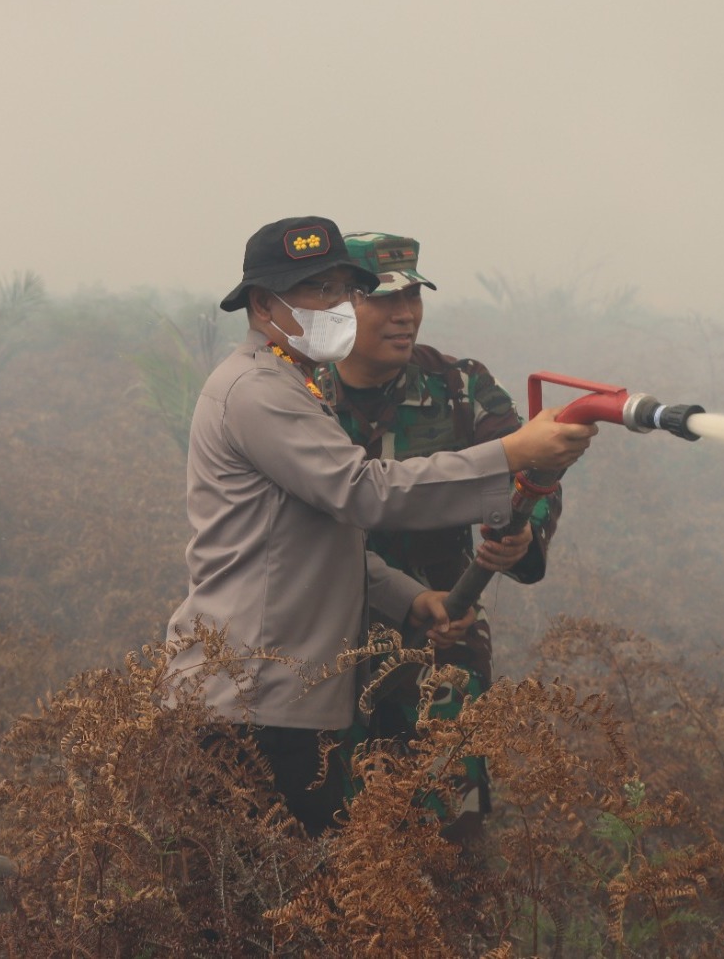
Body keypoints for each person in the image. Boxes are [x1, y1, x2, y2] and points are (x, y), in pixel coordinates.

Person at [164, 215, 597, 837]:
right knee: (276, 898)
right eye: (322, 292)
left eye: (345, 290)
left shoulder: (446, 385)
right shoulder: (267, 391)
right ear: (264, 303)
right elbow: (361, 494)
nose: (344, 306)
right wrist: (515, 455)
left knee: (420, 858)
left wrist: (414, 597)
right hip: (268, 692)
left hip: (390, 668)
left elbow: (316, 537)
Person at [316, 231, 563, 844]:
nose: (405, 314)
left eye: (414, 296)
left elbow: (532, 468)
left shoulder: (460, 388)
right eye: (383, 298)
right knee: (334, 842)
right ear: (340, 304)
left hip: (442, 650)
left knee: (449, 837)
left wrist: (520, 531)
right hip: (325, 653)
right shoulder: (303, 396)